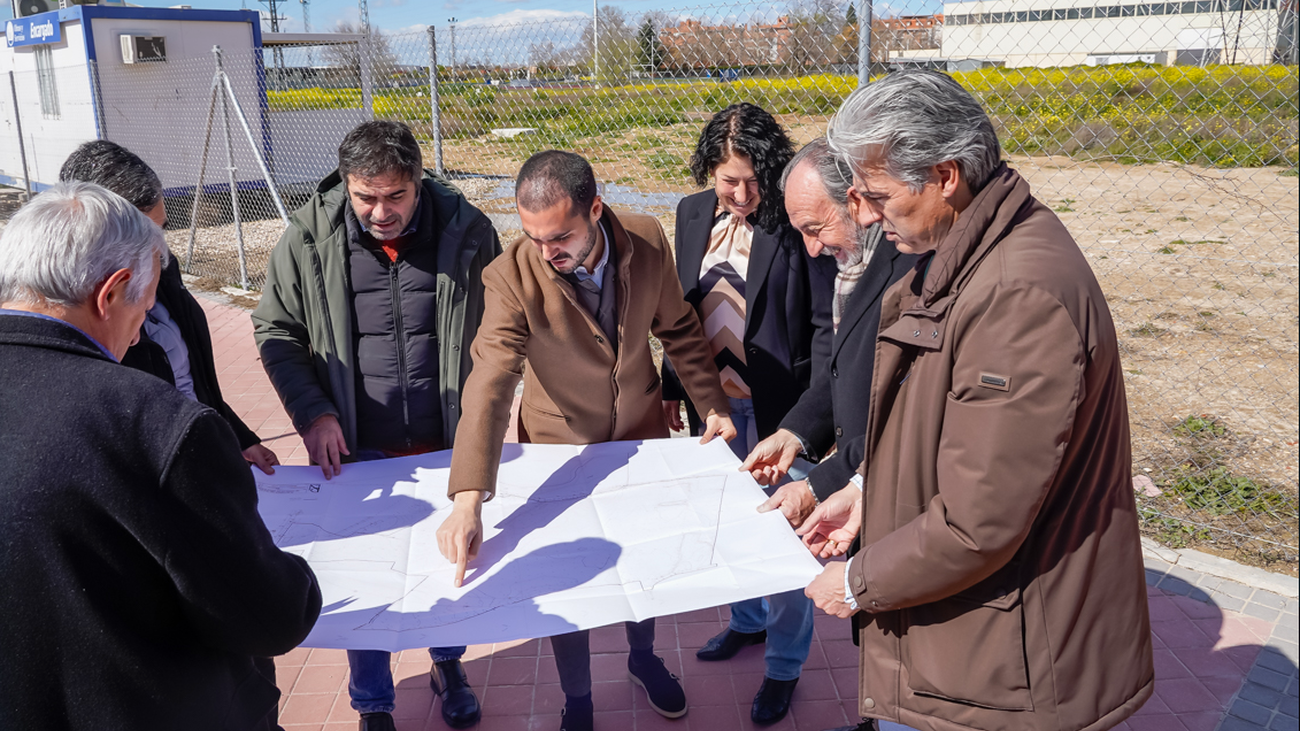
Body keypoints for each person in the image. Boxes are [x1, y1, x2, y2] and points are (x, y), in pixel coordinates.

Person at [799, 70, 1154, 731]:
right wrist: (868, 488)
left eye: (877, 194)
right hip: (981, 644)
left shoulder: (1016, 296)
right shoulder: (973, 252)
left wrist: (856, 582)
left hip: (1003, 669)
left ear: (946, 175)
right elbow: (960, 433)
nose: (866, 216)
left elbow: (977, 520)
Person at [0, 182, 321, 730]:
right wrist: (298, 578)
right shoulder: (153, 423)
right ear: (112, 292)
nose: (136, 336)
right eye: (144, 310)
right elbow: (267, 618)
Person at [434, 150, 736, 731]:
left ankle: (644, 659)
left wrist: (712, 405)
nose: (548, 253)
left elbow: (677, 329)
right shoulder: (511, 275)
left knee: (641, 560)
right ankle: (578, 699)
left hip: (640, 433)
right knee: (567, 581)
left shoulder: (646, 239)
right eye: (533, 237)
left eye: (561, 236)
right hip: (558, 444)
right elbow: (491, 379)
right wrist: (469, 495)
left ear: (596, 208)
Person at [252, 121, 500, 731]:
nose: (380, 212)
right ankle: (373, 704)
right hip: (357, 451)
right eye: (366, 197)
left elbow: (502, 334)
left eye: (395, 196)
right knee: (364, 578)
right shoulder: (308, 237)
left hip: (446, 441)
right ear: (347, 185)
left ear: (418, 182)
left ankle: (449, 662)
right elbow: (276, 331)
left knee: (450, 562)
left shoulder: (468, 231)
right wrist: (314, 413)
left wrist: (486, 420)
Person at [660, 103, 836, 726]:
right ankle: (746, 620)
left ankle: (785, 666)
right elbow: (681, 315)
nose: (740, 193)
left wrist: (815, 421)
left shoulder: (791, 220)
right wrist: (670, 387)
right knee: (731, 526)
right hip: (715, 410)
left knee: (785, 538)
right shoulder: (688, 214)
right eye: (727, 179)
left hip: (781, 412)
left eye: (752, 180)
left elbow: (822, 326)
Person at [59, 140, 280, 474]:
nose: (159, 250)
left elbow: (192, 379)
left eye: (161, 230)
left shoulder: (163, 270)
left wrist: (238, 436)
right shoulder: (72, 322)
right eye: (145, 235)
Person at [739, 137, 916, 532]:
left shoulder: (910, 267)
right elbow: (847, 368)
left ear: (854, 201)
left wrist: (818, 485)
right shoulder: (863, 260)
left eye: (816, 228)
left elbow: (902, 415)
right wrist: (794, 432)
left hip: (894, 494)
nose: (812, 249)